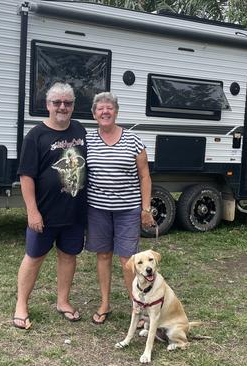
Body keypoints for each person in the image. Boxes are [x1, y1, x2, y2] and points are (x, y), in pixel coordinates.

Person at [13, 82, 87, 330]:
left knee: (68, 256)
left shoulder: (80, 130)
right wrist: (32, 211)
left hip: (74, 213)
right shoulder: (36, 136)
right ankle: (21, 305)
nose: (62, 107)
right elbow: (26, 176)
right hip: (44, 214)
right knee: (34, 257)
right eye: (57, 102)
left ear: (73, 105)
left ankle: (63, 301)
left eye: (67, 102)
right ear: (47, 105)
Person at [85, 91, 155, 325]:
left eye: (109, 108)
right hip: (97, 209)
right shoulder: (87, 140)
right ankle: (105, 303)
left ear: (116, 112)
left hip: (128, 210)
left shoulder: (133, 140)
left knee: (128, 259)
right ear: (94, 114)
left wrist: (145, 209)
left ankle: (137, 306)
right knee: (103, 255)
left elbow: (145, 176)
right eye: (100, 108)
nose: (105, 112)